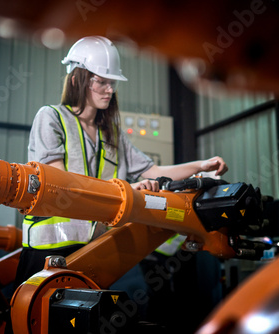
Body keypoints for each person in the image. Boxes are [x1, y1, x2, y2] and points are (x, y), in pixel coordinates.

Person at [13, 35, 228, 292]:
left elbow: (154, 172)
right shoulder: (51, 118)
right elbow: (60, 185)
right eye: (102, 82)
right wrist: (126, 191)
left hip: (95, 252)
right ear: (75, 79)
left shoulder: (111, 134)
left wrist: (201, 165)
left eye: (112, 83)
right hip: (47, 253)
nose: (110, 90)